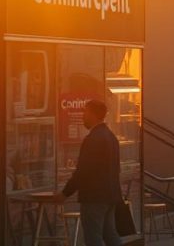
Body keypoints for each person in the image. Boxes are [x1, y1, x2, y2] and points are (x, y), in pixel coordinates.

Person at [55, 100, 122, 246]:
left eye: (85, 112)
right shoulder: (111, 137)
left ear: (93, 114)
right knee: (110, 234)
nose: (83, 116)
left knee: (93, 237)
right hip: (110, 195)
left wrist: (65, 193)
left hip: (94, 197)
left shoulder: (93, 139)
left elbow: (83, 171)